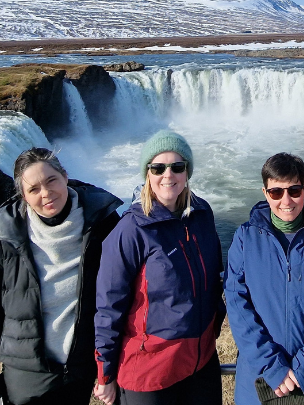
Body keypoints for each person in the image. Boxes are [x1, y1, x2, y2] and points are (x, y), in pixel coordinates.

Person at [0, 147, 123, 405]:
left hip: (82, 367)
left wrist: (112, 366)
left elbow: (125, 294)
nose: (46, 193)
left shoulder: (102, 223)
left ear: (65, 176)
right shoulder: (4, 239)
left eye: (51, 181)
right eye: (34, 189)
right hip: (26, 371)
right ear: (23, 196)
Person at [93, 130, 225, 405]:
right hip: (150, 370)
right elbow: (109, 305)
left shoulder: (202, 214)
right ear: (147, 173)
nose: (168, 175)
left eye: (177, 167)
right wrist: (105, 372)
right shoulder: (131, 230)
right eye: (158, 168)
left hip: (200, 362)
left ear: (187, 172)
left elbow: (214, 278)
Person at [225, 153, 304, 405]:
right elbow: (237, 305)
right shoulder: (245, 238)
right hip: (259, 378)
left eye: (294, 190)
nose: (286, 201)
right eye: (276, 192)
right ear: (265, 193)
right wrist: (272, 367)